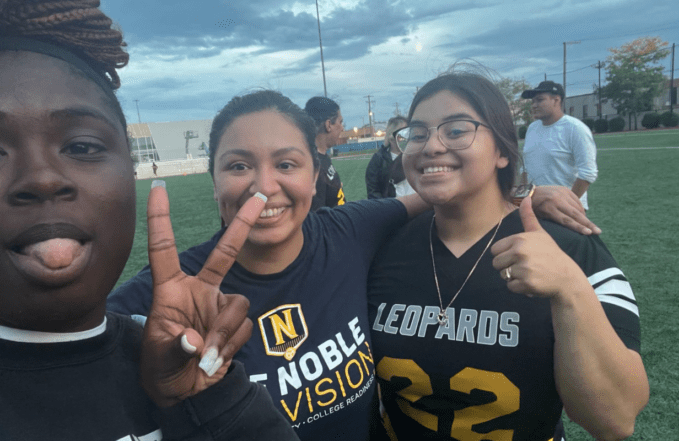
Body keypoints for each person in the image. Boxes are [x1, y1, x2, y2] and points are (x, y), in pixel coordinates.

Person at [106, 89, 600, 440]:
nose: (263, 185)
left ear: (316, 174)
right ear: (212, 181)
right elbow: (65, 362)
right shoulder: (176, 291)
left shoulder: (350, 231)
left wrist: (525, 193)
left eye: (286, 163)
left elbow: (434, 193)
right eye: (237, 166)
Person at [0, 1, 297, 440]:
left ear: (131, 170)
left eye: (81, 146)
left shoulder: (170, 349)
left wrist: (203, 399)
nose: (42, 178)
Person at [367, 70, 648, 440]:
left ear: (502, 150)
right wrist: (524, 191)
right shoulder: (380, 246)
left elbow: (615, 421)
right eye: (417, 134)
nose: (431, 146)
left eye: (455, 130)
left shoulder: (572, 246)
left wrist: (570, 289)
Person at [520, 81, 598, 210]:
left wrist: (566, 204)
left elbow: (588, 173)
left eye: (539, 100)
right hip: (534, 205)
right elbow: (525, 168)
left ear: (556, 100)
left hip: (565, 209)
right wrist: (525, 198)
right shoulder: (532, 129)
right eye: (532, 101)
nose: (534, 105)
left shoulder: (575, 129)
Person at [304, 96, 346, 210]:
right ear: (328, 125)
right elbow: (317, 219)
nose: (342, 128)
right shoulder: (312, 165)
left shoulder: (322, 157)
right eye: (340, 122)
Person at [365, 116, 415, 199]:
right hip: (393, 208)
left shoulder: (415, 155)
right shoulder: (378, 159)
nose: (407, 135)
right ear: (392, 136)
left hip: (417, 207)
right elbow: (373, 191)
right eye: (402, 132)